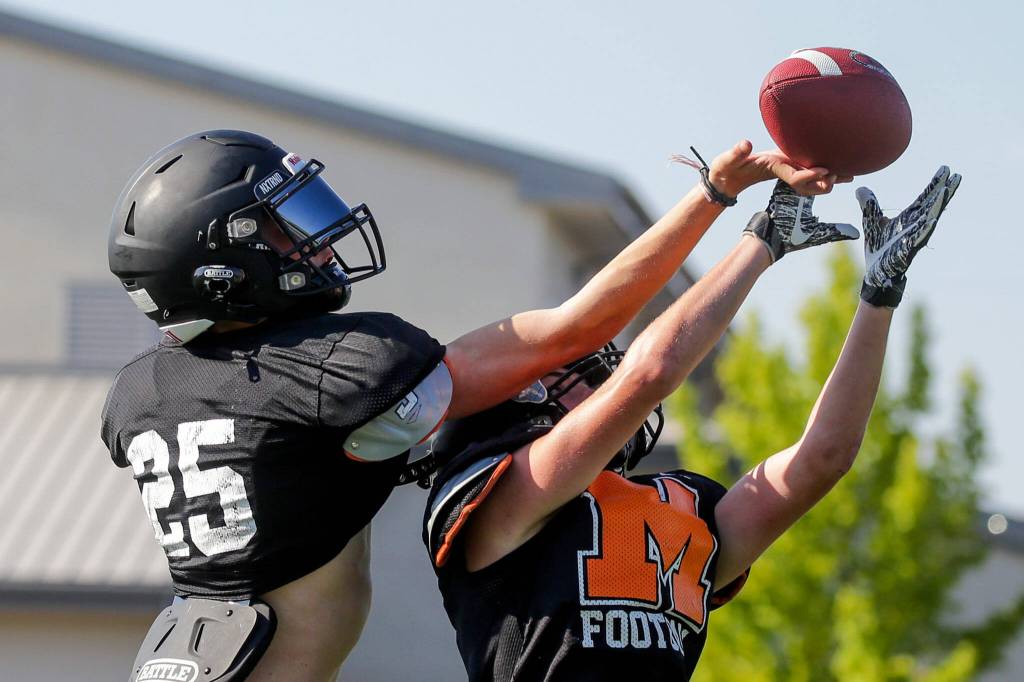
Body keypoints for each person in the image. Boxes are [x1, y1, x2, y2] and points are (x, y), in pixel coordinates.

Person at [101, 129, 839, 681]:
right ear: (224, 269)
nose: (314, 245)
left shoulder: (141, 392)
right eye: (278, 228)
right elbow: (578, 329)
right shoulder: (328, 373)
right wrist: (712, 198)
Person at [423, 169, 961, 681]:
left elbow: (824, 458)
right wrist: (764, 239)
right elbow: (650, 373)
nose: (603, 373)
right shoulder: (501, 497)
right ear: (525, 400)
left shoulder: (677, 503)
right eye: (577, 372)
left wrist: (878, 296)